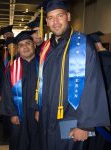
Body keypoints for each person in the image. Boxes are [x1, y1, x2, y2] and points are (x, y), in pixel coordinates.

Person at [35, 1, 110, 150]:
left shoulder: (82, 44)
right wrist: (38, 108)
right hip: (47, 115)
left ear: (68, 16)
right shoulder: (46, 48)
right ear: (47, 21)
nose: (55, 22)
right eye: (50, 18)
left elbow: (93, 85)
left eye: (60, 16)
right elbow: (41, 82)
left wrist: (86, 126)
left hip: (72, 119)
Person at [0, 30, 40, 150]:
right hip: (19, 113)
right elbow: (6, 92)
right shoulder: (12, 68)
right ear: (18, 49)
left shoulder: (44, 64)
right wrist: (12, 113)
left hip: (38, 113)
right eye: (21, 45)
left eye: (28, 43)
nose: (25, 47)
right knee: (19, 142)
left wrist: (42, 109)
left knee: (38, 141)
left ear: (34, 45)